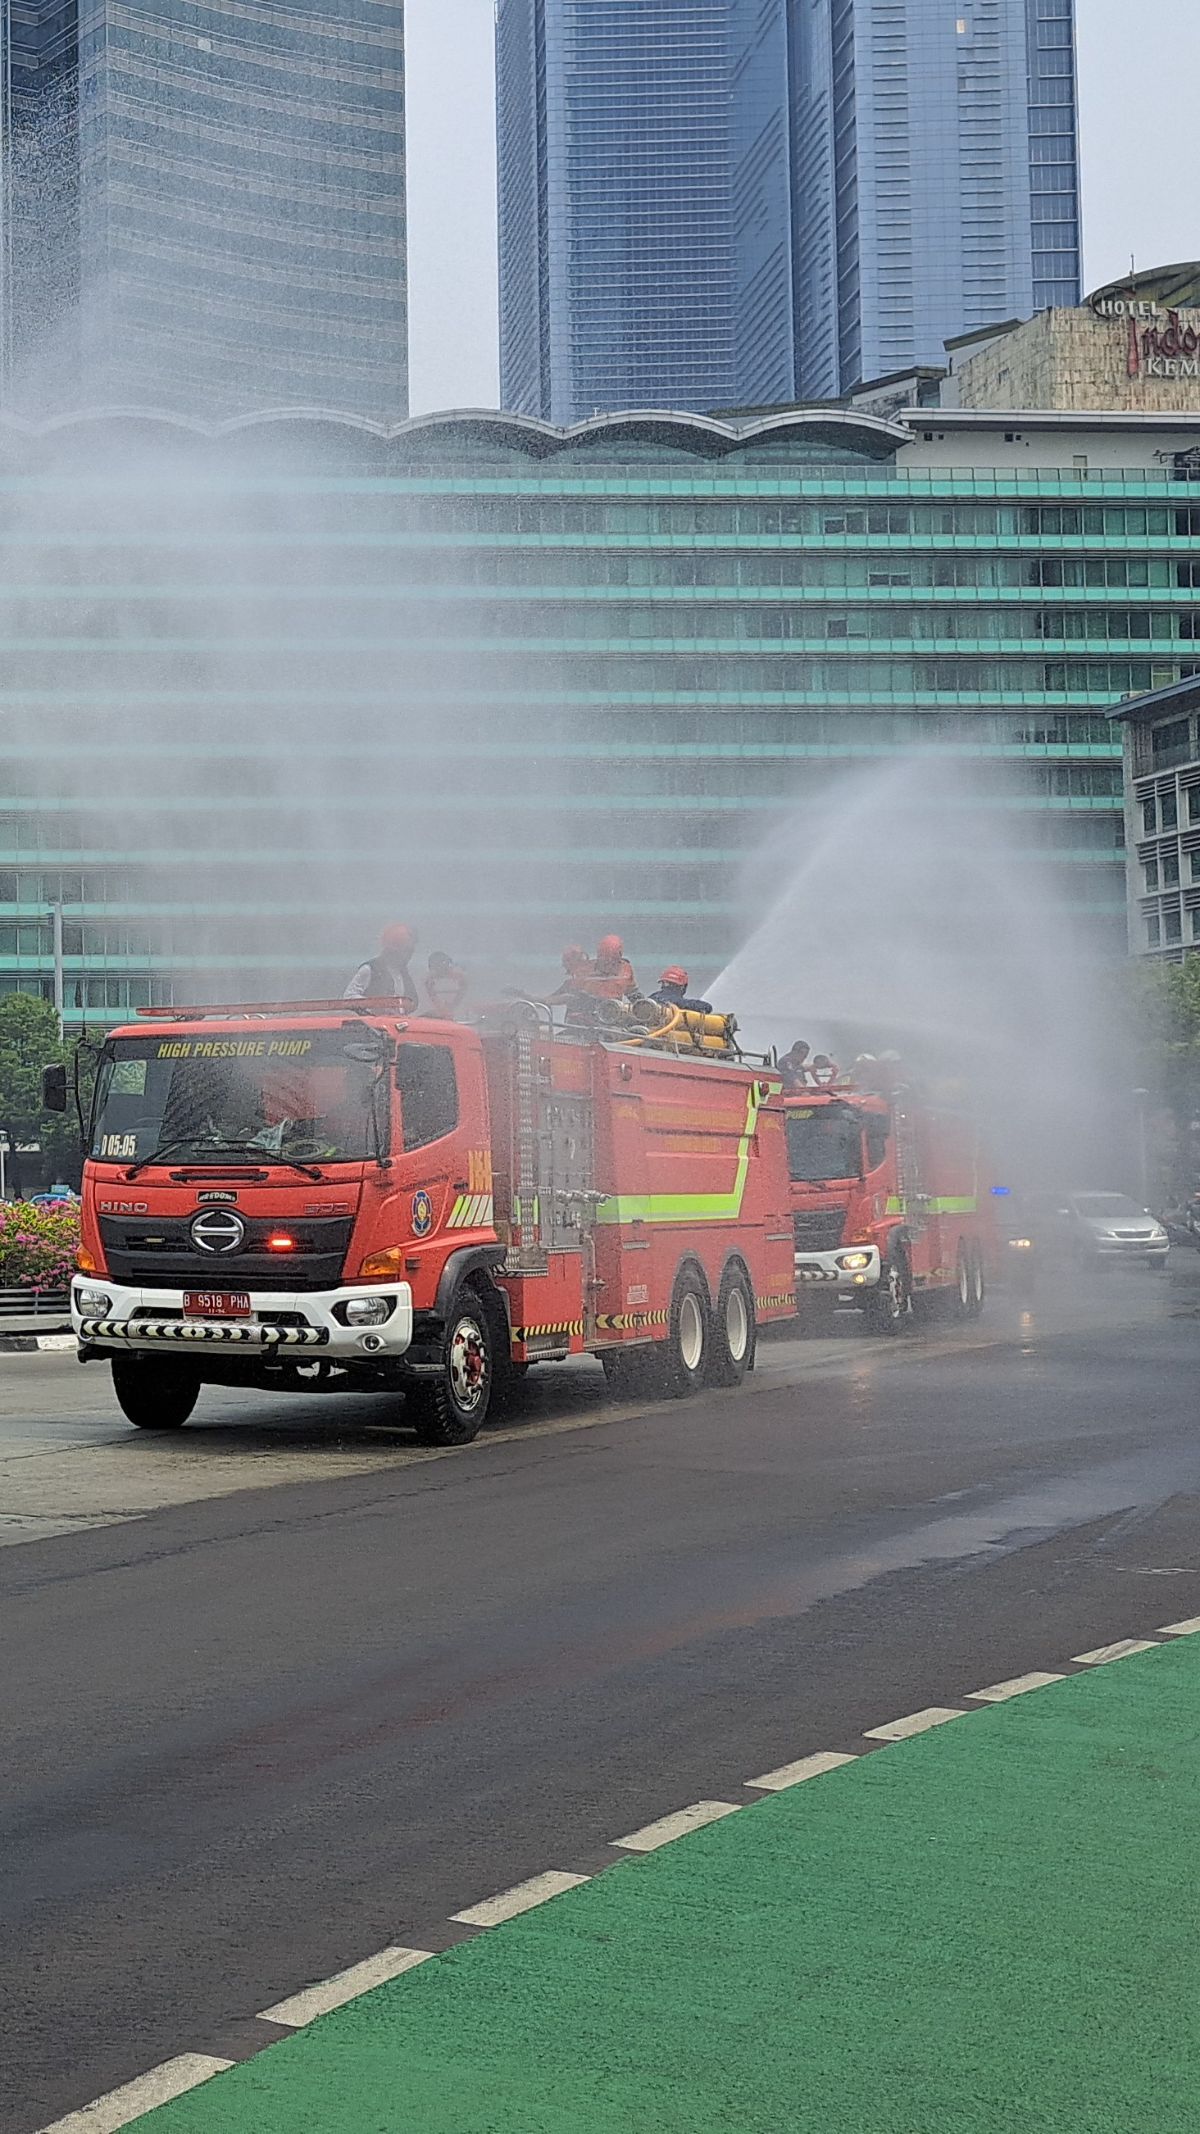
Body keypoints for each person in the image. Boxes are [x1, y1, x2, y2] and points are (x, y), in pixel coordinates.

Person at [344, 923, 418, 1008]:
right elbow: (349, 996)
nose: (409, 956)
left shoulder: (403, 973)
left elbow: (412, 1001)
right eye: (406, 951)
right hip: (372, 1020)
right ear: (392, 949)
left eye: (411, 951)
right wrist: (376, 1005)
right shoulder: (370, 969)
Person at [425, 951, 467, 1018]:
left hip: (461, 1019)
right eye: (437, 964)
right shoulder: (426, 982)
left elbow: (465, 996)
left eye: (443, 963)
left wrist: (451, 1007)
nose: (441, 967)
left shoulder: (461, 979)